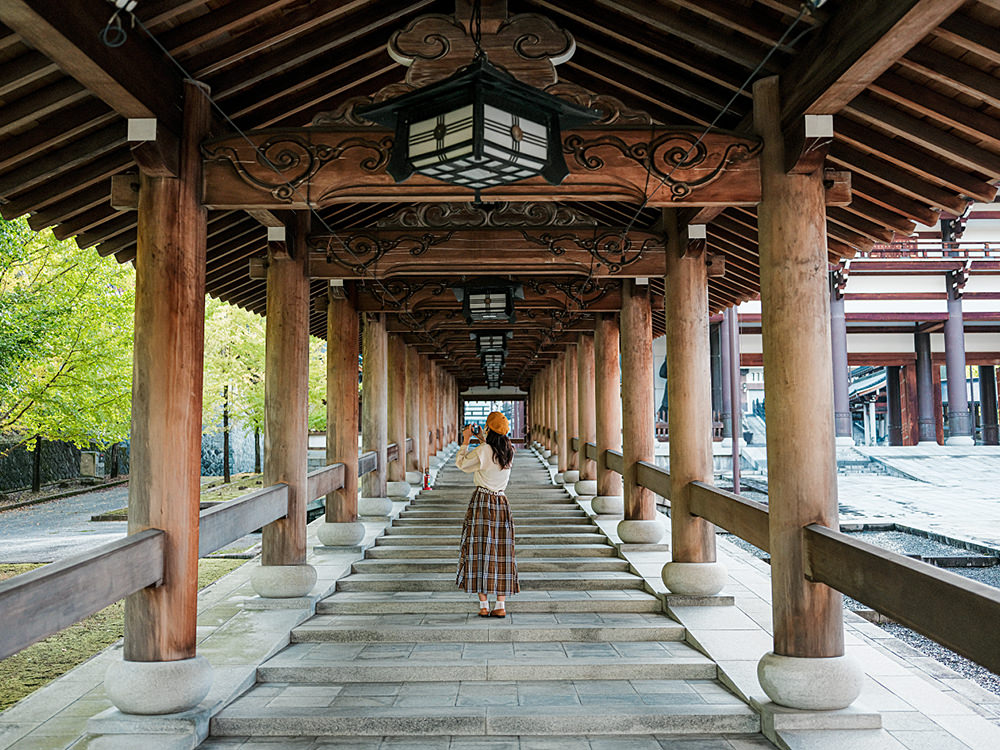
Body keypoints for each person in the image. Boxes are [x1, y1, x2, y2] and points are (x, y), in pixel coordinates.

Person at [455, 410, 518, 617]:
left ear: (488, 428)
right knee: (501, 552)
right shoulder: (510, 450)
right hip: (501, 502)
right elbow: (492, 451)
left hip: (482, 502)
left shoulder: (482, 450)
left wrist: (466, 441)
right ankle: (500, 606)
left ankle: (483, 605)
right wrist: (483, 437)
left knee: (479, 550)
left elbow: (462, 464)